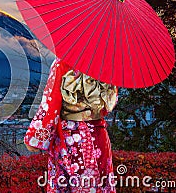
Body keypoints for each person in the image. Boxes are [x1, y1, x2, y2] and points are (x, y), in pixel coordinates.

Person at [24, 58, 118, 192]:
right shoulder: (108, 64)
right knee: (100, 184)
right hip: (98, 135)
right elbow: (109, 104)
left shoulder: (65, 62)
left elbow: (51, 102)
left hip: (71, 137)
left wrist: (35, 137)